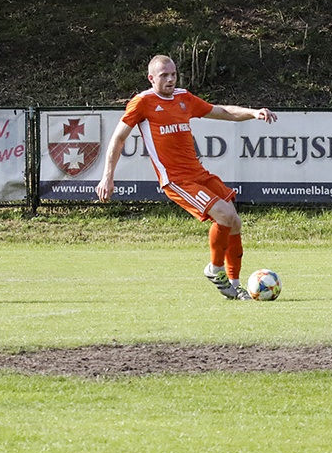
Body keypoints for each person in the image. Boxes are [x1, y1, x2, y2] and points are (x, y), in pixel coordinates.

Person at [96, 55, 277, 300]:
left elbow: (222, 111)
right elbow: (118, 139)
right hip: (176, 180)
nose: (170, 79)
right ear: (151, 78)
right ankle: (215, 269)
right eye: (164, 76)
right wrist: (108, 176)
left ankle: (234, 286)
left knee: (234, 220)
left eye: (173, 74)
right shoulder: (142, 102)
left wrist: (253, 112)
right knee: (223, 215)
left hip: (198, 173)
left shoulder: (184, 98)